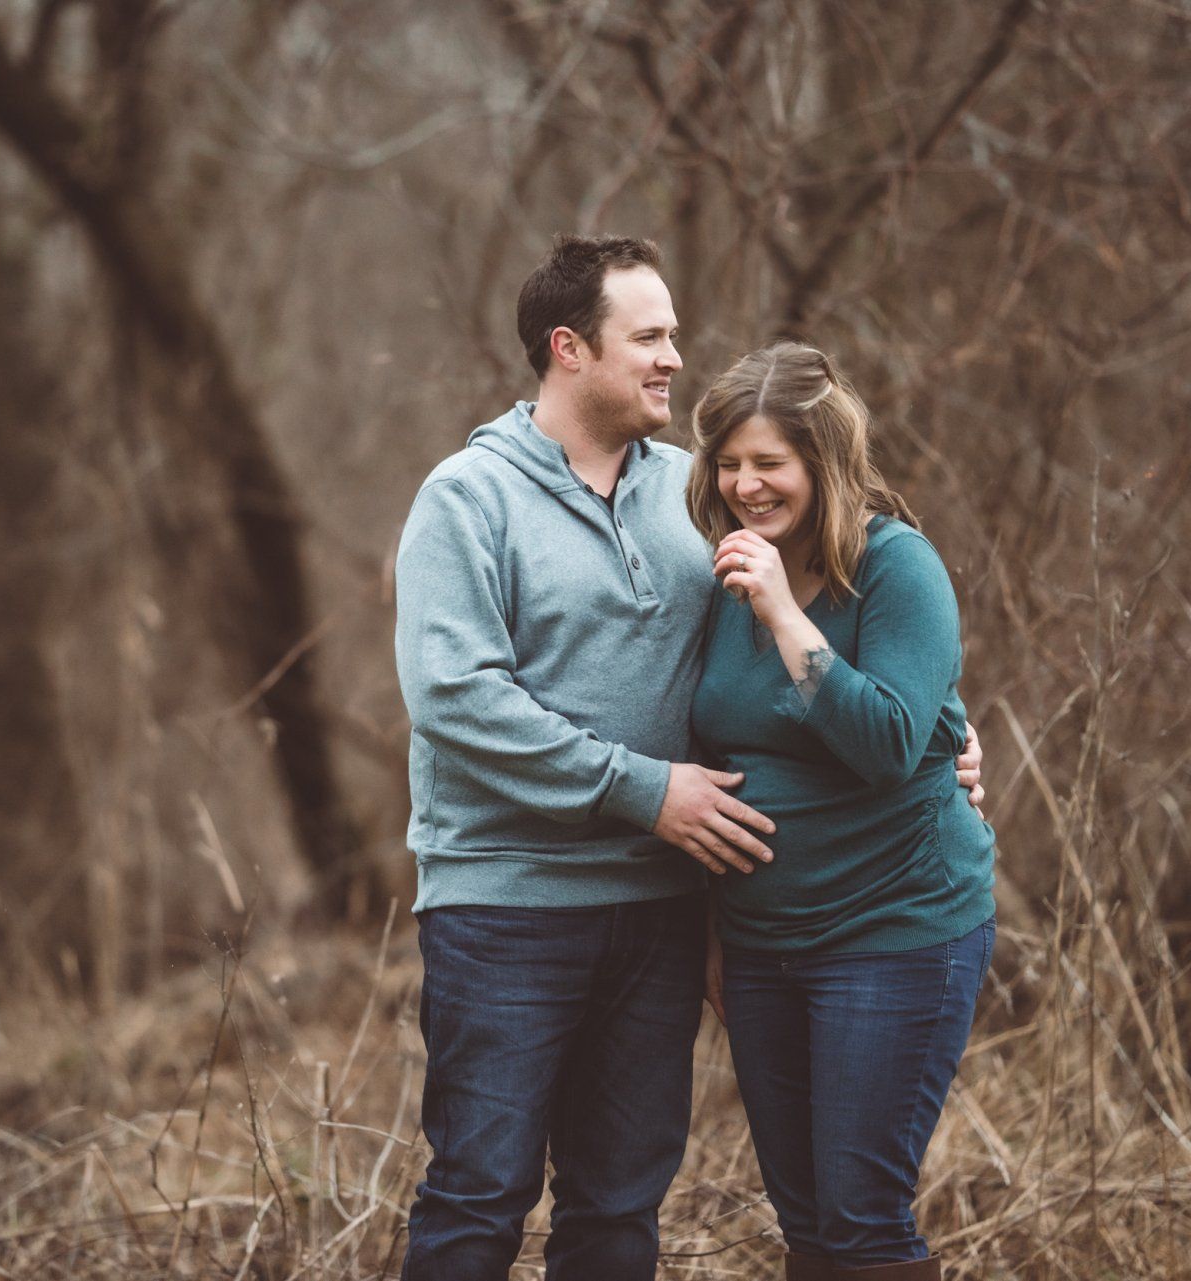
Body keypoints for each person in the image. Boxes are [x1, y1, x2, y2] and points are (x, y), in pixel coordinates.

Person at [393, 236, 983, 1280]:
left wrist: (942, 729)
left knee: (620, 1207)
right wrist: (645, 791)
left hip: (661, 907)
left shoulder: (693, 495)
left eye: (675, 334)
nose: (675, 358)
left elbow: (819, 625)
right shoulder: (466, 498)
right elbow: (457, 698)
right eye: (650, 336)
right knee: (480, 1195)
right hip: (510, 906)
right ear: (569, 348)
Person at [688, 341, 997, 1280]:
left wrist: (787, 616)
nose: (746, 485)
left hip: (894, 931)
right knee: (809, 1226)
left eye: (769, 464)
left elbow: (891, 742)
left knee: (862, 1220)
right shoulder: (725, 573)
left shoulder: (899, 569)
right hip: (763, 948)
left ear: (823, 463)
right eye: (730, 463)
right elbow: (709, 745)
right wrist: (713, 935)